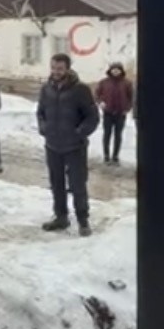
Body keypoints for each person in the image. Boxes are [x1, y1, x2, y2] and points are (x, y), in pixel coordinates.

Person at [36, 54, 100, 236]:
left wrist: (79, 132)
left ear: (68, 69)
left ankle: (83, 220)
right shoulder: (46, 89)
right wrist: (43, 128)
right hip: (52, 145)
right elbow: (40, 112)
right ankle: (61, 217)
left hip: (75, 146)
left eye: (60, 69)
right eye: (53, 68)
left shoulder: (80, 90)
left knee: (77, 184)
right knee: (56, 184)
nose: (56, 72)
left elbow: (93, 117)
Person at [94, 62, 134, 165]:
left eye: (118, 69)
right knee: (107, 134)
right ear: (110, 70)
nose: (115, 71)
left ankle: (115, 156)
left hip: (121, 113)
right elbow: (97, 94)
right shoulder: (104, 82)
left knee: (118, 135)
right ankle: (106, 155)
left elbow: (131, 97)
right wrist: (100, 102)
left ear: (121, 71)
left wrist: (127, 108)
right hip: (108, 112)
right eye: (113, 69)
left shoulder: (127, 83)